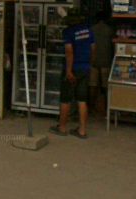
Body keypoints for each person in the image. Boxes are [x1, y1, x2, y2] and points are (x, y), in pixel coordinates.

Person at [50, 9, 95, 139]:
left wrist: (69, 71)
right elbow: (93, 48)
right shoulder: (88, 30)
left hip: (73, 69)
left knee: (66, 99)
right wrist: (89, 64)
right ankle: (82, 131)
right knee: (82, 100)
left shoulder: (68, 32)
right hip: (84, 68)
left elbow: (69, 52)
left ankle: (62, 128)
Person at [90, 11, 113, 113]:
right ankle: (106, 108)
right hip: (106, 60)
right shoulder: (110, 30)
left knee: (93, 84)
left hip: (93, 61)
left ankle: (91, 107)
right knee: (106, 86)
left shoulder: (92, 29)